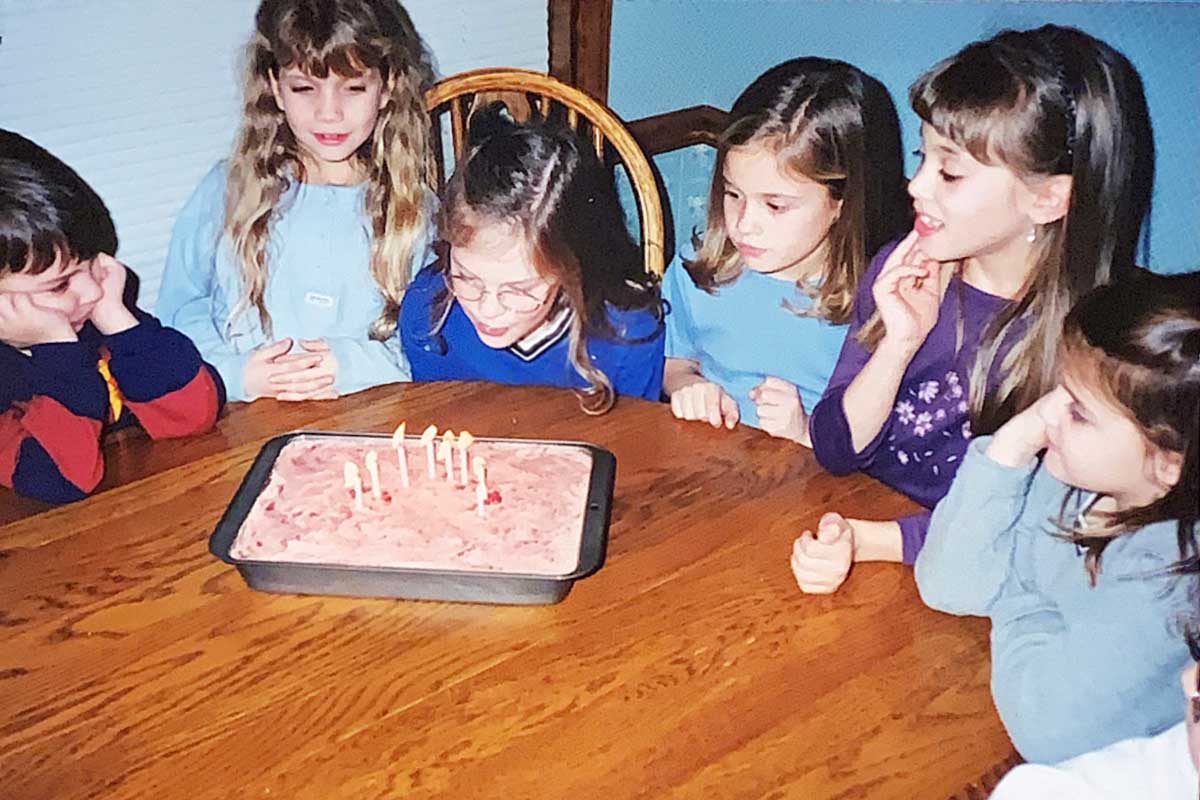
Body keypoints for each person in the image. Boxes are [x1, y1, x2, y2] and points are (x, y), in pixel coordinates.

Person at [157, 0, 435, 402]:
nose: (329, 114)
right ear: (275, 86)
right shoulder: (225, 190)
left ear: (388, 86)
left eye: (354, 88)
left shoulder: (413, 210)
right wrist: (232, 375)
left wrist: (354, 366)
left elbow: (429, 349)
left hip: (363, 421)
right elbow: (177, 313)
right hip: (240, 422)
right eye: (304, 88)